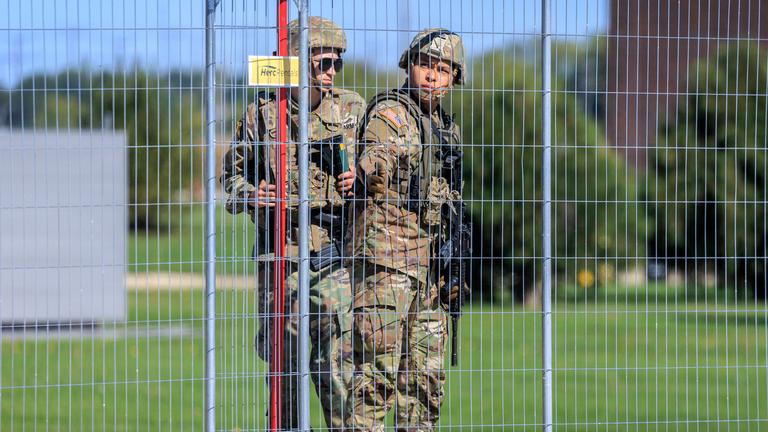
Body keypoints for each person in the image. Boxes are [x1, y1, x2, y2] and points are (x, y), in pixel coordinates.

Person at [220, 16, 365, 430]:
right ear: (298, 62)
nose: (331, 72)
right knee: (283, 366)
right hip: (279, 253)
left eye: (337, 62)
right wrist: (253, 195)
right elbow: (230, 179)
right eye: (322, 63)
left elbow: (374, 174)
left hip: (332, 254)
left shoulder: (352, 110)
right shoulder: (262, 115)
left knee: (337, 367)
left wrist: (360, 179)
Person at [345, 28, 468, 431]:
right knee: (376, 380)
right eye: (425, 65)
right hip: (388, 267)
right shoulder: (391, 114)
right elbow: (376, 153)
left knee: (425, 386)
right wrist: (372, 169)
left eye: (443, 69)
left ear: (453, 79)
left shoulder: (446, 129)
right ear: (409, 67)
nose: (433, 76)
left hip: (430, 272)